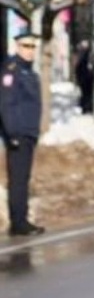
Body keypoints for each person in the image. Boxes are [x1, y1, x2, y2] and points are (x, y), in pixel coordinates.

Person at [0, 31, 44, 236]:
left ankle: (22, 218)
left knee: (23, 178)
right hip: (18, 133)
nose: (30, 51)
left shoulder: (29, 72)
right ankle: (18, 222)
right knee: (17, 179)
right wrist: (12, 133)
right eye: (26, 46)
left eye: (33, 47)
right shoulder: (12, 71)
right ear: (17, 47)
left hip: (28, 132)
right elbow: (7, 104)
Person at [74, 40, 94, 115]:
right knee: (86, 94)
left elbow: (77, 68)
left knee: (85, 94)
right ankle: (87, 108)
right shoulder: (86, 55)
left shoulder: (82, 54)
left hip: (85, 78)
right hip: (86, 78)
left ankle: (86, 108)